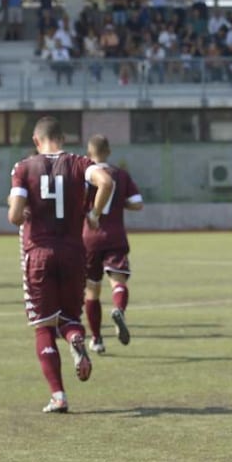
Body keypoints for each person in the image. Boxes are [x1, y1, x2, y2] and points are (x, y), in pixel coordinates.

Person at [7, 116, 113, 413]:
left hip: (39, 252)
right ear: (62, 139)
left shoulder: (24, 167)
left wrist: (23, 210)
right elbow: (106, 181)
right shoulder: (79, 163)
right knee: (69, 317)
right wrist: (93, 213)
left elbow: (14, 216)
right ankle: (77, 339)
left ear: (36, 141)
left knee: (43, 325)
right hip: (73, 252)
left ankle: (58, 395)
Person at [81, 134, 144, 354]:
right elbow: (137, 203)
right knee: (118, 281)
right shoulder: (120, 174)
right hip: (115, 235)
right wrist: (119, 204)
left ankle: (97, 339)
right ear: (108, 151)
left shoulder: (85, 175)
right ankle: (118, 309)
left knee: (92, 290)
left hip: (89, 237)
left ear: (89, 154)